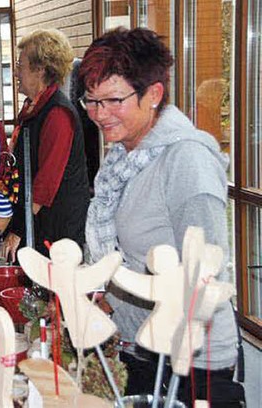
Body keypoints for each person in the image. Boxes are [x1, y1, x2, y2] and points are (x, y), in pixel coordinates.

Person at [79, 27, 244, 406]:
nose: (99, 114)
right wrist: (107, 296)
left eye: (113, 100)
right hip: (140, 345)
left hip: (190, 358)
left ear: (153, 94)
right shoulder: (125, 155)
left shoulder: (186, 161)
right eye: (91, 100)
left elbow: (206, 270)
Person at [2, 29, 90, 262]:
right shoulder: (33, 108)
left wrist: (17, 229)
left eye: (21, 65)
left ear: (40, 69)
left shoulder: (58, 114)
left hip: (58, 228)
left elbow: (45, 183)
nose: (16, 72)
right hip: (39, 220)